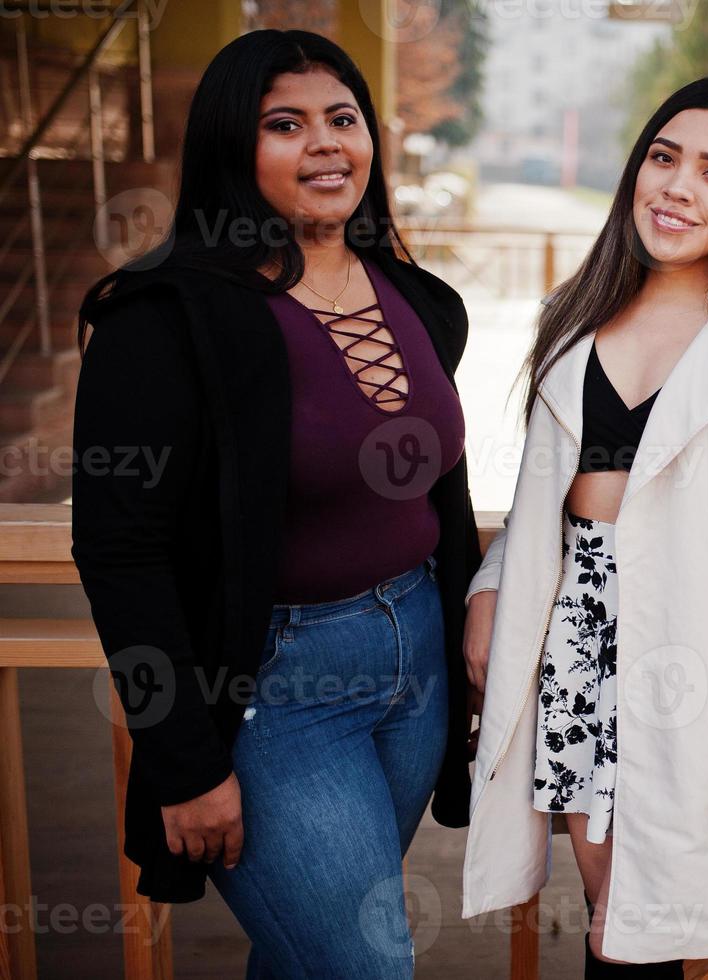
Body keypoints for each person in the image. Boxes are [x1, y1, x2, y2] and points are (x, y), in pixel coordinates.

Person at [72, 30, 478, 978]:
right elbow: (120, 552)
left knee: (307, 960)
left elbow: (440, 493)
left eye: (343, 119)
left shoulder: (419, 300)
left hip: (414, 661)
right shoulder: (162, 320)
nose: (326, 144)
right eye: (284, 124)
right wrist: (182, 758)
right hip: (270, 693)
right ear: (230, 148)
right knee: (369, 965)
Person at [459, 75, 708, 973]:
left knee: (638, 936)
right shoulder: (575, 316)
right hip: (574, 639)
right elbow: (542, 504)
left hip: (692, 661)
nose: (677, 187)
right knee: (609, 913)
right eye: (664, 159)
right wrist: (487, 587)